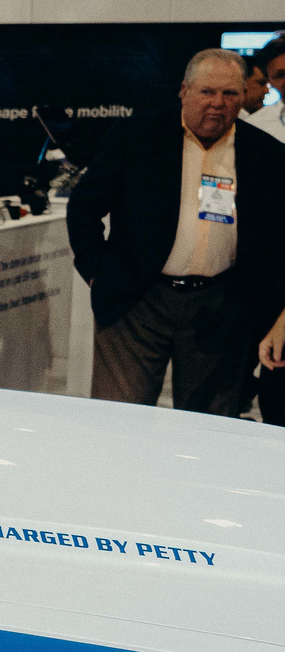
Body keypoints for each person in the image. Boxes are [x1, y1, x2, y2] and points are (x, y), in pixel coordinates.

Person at [68, 45, 285, 415]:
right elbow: (84, 207)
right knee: (119, 419)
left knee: (207, 425)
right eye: (207, 91)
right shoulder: (136, 136)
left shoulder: (266, 154)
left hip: (221, 307)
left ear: (242, 96)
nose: (218, 103)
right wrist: (96, 271)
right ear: (185, 91)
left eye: (230, 93)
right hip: (137, 300)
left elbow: (275, 238)